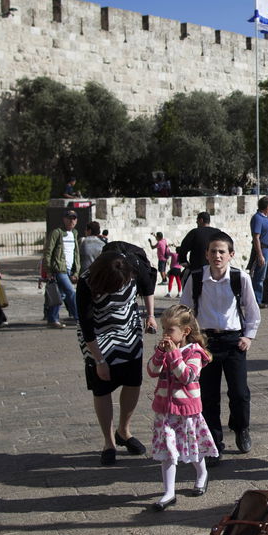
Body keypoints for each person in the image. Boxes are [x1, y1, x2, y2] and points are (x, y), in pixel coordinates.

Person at [182, 233, 260, 467]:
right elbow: (184, 311)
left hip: (233, 341)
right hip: (205, 343)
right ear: (206, 254)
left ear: (231, 255)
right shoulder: (196, 278)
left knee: (239, 392)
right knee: (208, 395)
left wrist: (248, 336)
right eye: (213, 251)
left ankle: (241, 428)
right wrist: (189, 341)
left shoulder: (240, 277)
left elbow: (253, 310)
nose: (217, 256)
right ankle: (213, 443)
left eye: (222, 252)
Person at [77, 246, 157, 465]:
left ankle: (124, 431)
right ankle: (109, 441)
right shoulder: (86, 282)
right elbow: (86, 325)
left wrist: (150, 315)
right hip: (99, 335)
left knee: (133, 381)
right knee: (102, 387)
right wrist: (100, 360)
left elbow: (148, 285)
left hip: (128, 331)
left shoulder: (133, 267)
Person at [145, 304, 218, 510]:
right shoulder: (165, 349)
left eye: (170, 329)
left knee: (193, 448)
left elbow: (187, 377)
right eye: (164, 329)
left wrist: (174, 354)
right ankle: (169, 492)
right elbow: (152, 370)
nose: (165, 334)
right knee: (168, 451)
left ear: (185, 331)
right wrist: (160, 353)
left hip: (187, 410)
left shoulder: (194, 352)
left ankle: (202, 473)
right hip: (165, 410)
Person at [42, 209, 81, 328]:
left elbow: (76, 253)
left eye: (74, 218)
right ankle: (79, 317)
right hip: (59, 268)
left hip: (69, 269)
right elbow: (48, 251)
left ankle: (52, 319)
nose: (71, 220)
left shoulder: (74, 233)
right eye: (69, 218)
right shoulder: (57, 232)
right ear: (64, 219)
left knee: (61, 295)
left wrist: (76, 271)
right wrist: (48, 270)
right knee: (71, 292)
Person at [177, 211, 228, 277]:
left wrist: (184, 262)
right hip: (216, 270)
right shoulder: (218, 232)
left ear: (201, 220)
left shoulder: (194, 232)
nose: (196, 222)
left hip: (198, 270)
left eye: (197, 220)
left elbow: (183, 249)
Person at [250, 196, 268, 306]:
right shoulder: (257, 218)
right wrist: (260, 255)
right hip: (264, 251)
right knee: (259, 277)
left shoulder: (266, 218)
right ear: (267, 207)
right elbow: (256, 237)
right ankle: (257, 301)